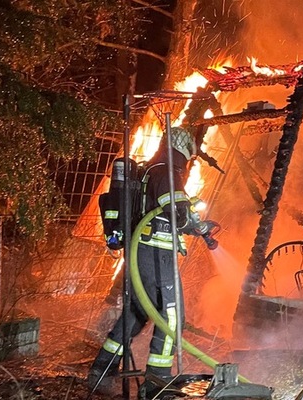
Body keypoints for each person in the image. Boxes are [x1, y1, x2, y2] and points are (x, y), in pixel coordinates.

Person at [87, 126, 209, 393]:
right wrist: (199, 224)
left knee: (137, 313)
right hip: (155, 253)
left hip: (143, 251)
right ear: (183, 149)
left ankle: (101, 370)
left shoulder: (152, 169)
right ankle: (157, 381)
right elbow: (177, 212)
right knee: (172, 315)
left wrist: (190, 223)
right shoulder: (168, 172)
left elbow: (165, 212)